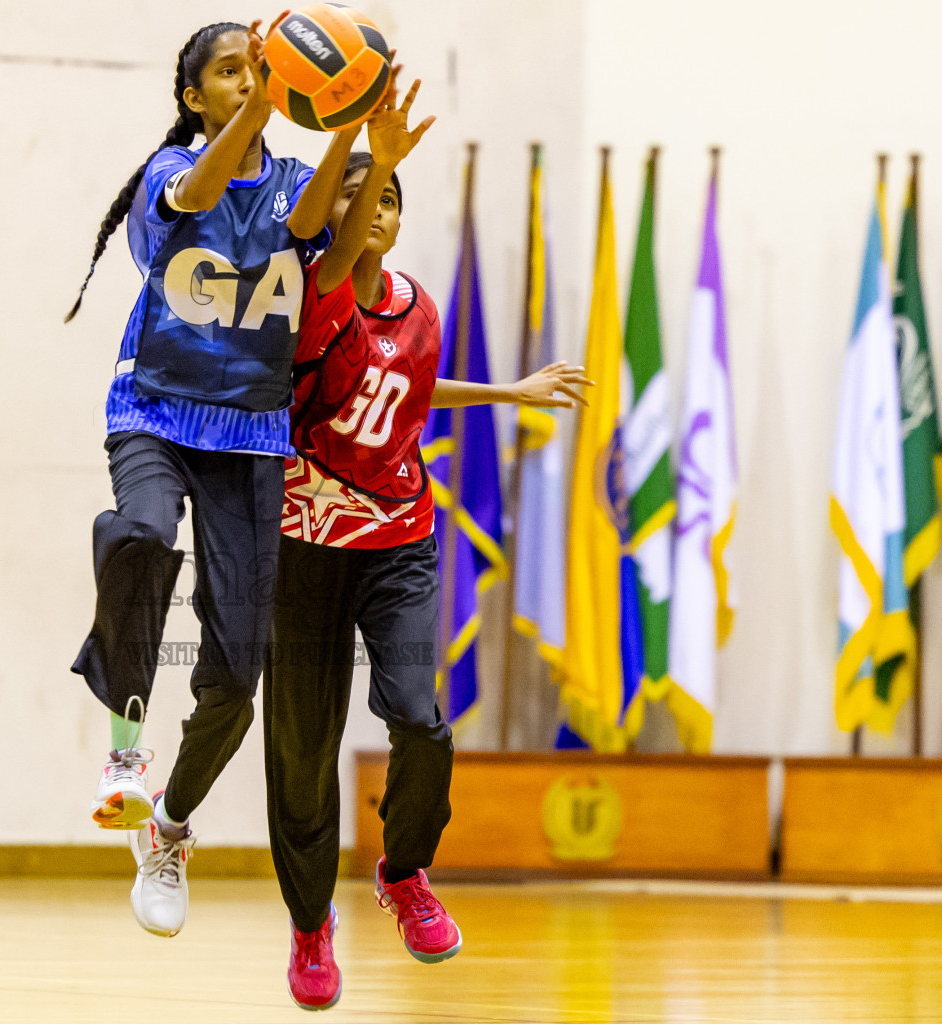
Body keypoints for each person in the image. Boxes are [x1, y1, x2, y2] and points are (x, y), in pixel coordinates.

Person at [266, 127, 591, 1009]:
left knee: (419, 719)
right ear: (333, 212)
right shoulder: (310, 297)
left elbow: (405, 391)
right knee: (301, 751)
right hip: (303, 545)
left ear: (401, 223)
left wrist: (505, 392)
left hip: (397, 540)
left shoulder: (419, 308)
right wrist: (357, 142)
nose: (374, 210)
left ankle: (403, 873)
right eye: (355, 195)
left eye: (391, 199)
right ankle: (308, 925)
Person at [63, 19, 362, 939]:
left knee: (237, 673)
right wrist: (269, 101)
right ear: (195, 97)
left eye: (254, 70)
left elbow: (324, 243)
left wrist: (358, 135)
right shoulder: (169, 177)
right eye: (228, 73)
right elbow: (197, 188)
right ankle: (124, 756)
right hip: (153, 410)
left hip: (250, 435)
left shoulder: (288, 191)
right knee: (143, 535)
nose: (245, 82)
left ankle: (170, 826)